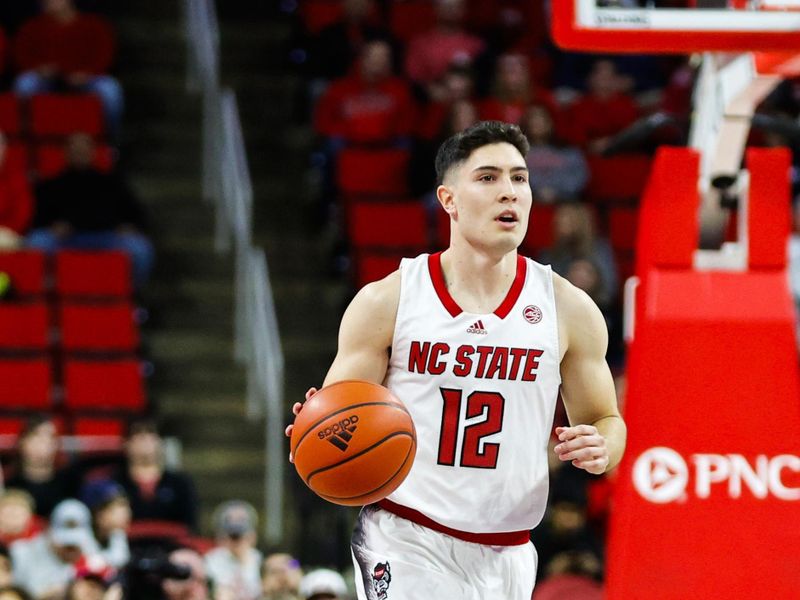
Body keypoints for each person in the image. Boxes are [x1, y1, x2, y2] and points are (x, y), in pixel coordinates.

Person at [286, 121, 626, 599]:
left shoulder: (568, 308)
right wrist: (319, 430)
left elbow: (608, 421)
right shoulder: (389, 300)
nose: (509, 192)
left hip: (509, 549)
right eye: (488, 177)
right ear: (448, 199)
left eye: (519, 178)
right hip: (407, 535)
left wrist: (602, 446)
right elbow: (341, 415)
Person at [27, 133, 154, 288]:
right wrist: (52, 226)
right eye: (75, 149)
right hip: (67, 239)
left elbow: (136, 213)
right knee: (36, 241)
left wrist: (129, 225)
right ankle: (40, 295)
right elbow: (37, 219)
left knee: (140, 249)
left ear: (92, 151)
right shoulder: (51, 185)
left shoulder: (111, 182)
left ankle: (130, 295)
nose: (79, 153)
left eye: (83, 149)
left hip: (107, 236)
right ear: (66, 152)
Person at [12, 0, 124, 134]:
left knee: (109, 89)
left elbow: (105, 55)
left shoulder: (93, 24)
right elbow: (21, 56)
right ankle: (24, 139)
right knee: (25, 83)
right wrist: (40, 70)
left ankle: (109, 139)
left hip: (86, 80)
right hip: (47, 81)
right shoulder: (32, 27)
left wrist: (87, 73)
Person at [111, 420, 198, 532]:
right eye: (138, 434)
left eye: (151, 433)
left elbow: (190, 527)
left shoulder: (180, 484)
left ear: (160, 442)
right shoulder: (113, 484)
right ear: (126, 443)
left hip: (173, 547)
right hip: (124, 546)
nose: (145, 439)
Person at [10, 499, 101, 600]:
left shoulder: (91, 555)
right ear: (50, 533)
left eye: (76, 545)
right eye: (67, 545)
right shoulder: (20, 553)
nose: (72, 550)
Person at [4, 416, 72, 519]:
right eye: (36, 435)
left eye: (50, 437)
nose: (43, 442)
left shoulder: (70, 482)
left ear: (57, 444)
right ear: (22, 441)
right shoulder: (8, 482)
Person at [521, 104, 589, 204]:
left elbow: (580, 176)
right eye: (533, 119)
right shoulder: (516, 153)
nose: (538, 123)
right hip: (527, 203)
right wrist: (537, 192)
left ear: (551, 122)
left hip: (566, 203)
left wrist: (557, 192)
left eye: (542, 118)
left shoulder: (568, 151)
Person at [205, 500, 262, 600]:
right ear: (221, 537)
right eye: (232, 536)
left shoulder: (260, 560)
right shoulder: (210, 560)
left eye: (240, 535)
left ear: (253, 536)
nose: (236, 541)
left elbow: (294, 563)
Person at [79, 479, 130, 568]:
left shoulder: (117, 533)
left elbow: (120, 560)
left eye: (126, 506)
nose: (127, 512)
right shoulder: (79, 537)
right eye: (119, 506)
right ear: (98, 514)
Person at [0, 131, 34, 250]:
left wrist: (6, 231)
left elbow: (22, 214)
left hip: (7, 235)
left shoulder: (16, 178)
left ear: (4, 150)